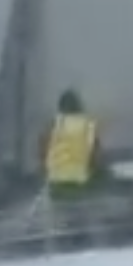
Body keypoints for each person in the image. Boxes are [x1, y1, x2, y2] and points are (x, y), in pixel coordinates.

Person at [41, 88, 110, 248]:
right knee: (85, 223)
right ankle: (88, 247)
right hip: (82, 186)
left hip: (57, 186)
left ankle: (59, 248)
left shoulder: (53, 127)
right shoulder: (87, 127)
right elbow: (96, 156)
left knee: (59, 225)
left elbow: (43, 153)